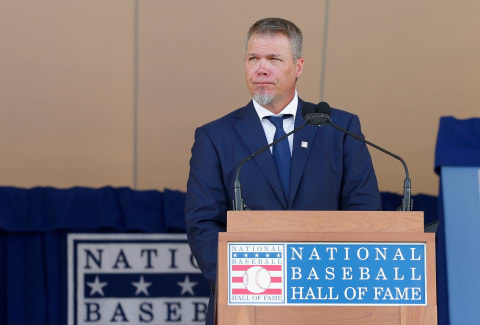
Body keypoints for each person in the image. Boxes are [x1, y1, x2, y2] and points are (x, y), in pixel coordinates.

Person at [185, 17, 381, 324]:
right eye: (253, 58)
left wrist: (334, 281)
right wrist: (244, 281)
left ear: (299, 66)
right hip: (246, 301)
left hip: (329, 300)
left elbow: (364, 212)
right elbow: (202, 223)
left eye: (274, 59)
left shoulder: (339, 128)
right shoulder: (214, 137)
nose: (261, 68)